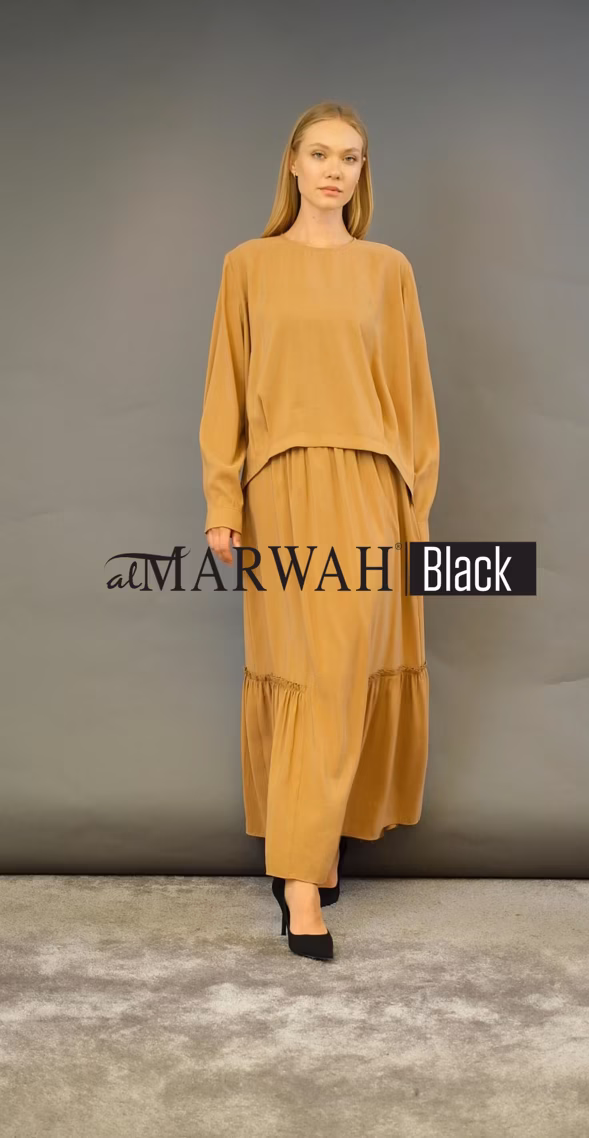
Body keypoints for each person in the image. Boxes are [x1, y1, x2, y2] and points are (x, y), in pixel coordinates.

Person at [199, 101, 440, 961]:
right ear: (293, 165)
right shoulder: (248, 265)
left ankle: (314, 850)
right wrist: (223, 501)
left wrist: (416, 514)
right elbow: (225, 390)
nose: (336, 170)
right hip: (284, 491)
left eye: (351, 157)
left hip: (372, 492)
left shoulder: (388, 270)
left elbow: (413, 401)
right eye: (321, 154)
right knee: (307, 673)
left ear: (361, 173)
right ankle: (302, 877)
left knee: (347, 671)